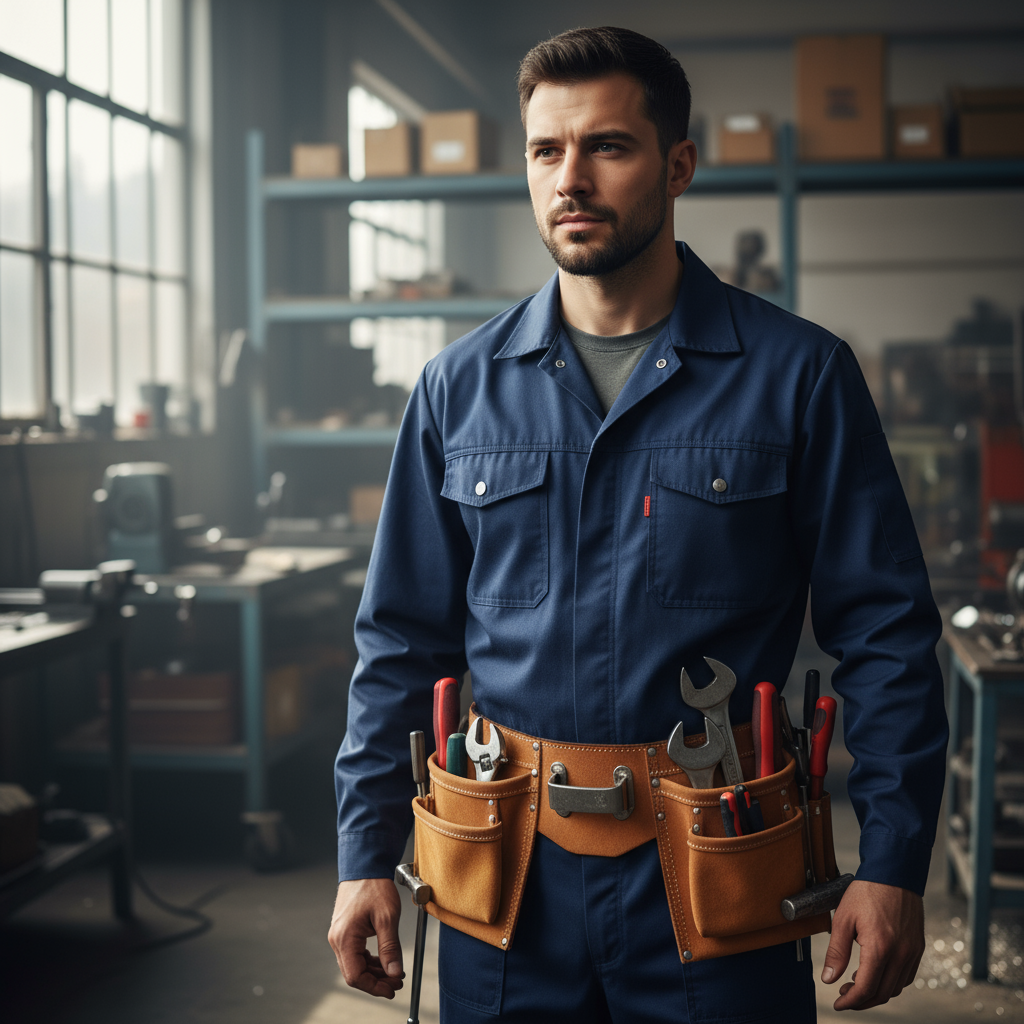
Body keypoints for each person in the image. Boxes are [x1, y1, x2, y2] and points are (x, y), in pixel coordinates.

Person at [328, 26, 948, 1023]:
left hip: (717, 871)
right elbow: (398, 638)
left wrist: (893, 860)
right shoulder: (456, 390)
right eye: (545, 151)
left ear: (677, 164)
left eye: (606, 147)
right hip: (507, 880)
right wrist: (365, 854)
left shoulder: (798, 377)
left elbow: (884, 636)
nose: (569, 179)